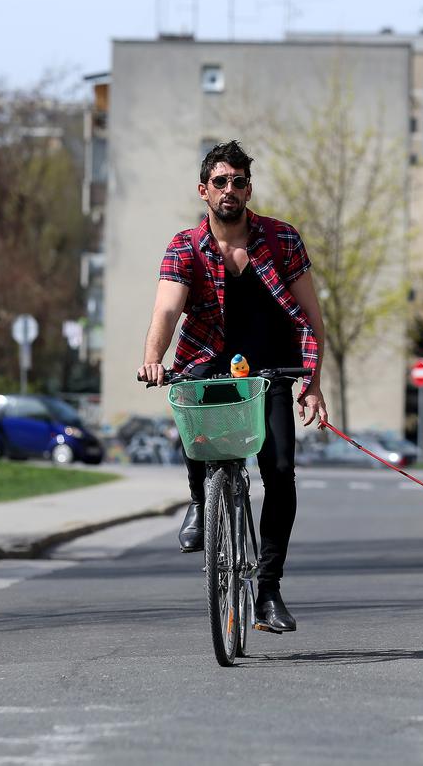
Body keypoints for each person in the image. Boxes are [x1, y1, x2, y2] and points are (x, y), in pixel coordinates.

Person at [137, 140, 328, 634]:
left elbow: (311, 317)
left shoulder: (282, 240)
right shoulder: (185, 246)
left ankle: (268, 590)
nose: (230, 190)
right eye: (220, 182)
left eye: (238, 181)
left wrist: (312, 382)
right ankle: (202, 500)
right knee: (192, 409)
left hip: (270, 371)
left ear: (248, 188)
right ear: (204, 190)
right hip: (209, 362)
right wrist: (153, 359)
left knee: (282, 471)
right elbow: (165, 310)